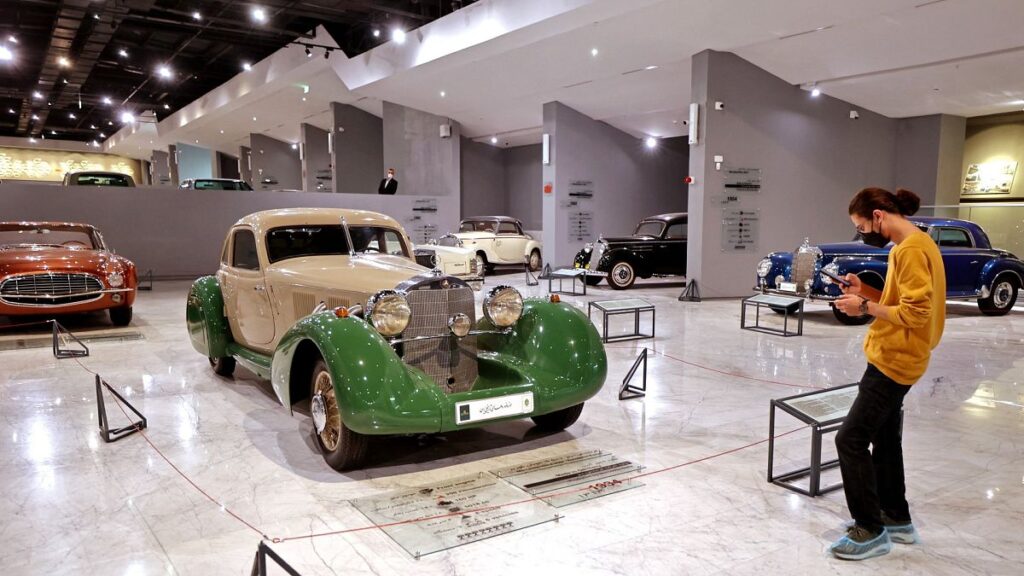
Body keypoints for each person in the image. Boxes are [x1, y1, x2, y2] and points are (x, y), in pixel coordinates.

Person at [828, 187, 946, 561]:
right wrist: (863, 290)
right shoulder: (915, 244)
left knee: (850, 439)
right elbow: (900, 302)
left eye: (862, 226)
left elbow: (916, 314)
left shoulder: (909, 249)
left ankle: (870, 529)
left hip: (895, 361)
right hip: (897, 355)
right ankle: (895, 517)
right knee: (884, 438)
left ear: (878, 216)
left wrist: (863, 306)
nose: (863, 233)